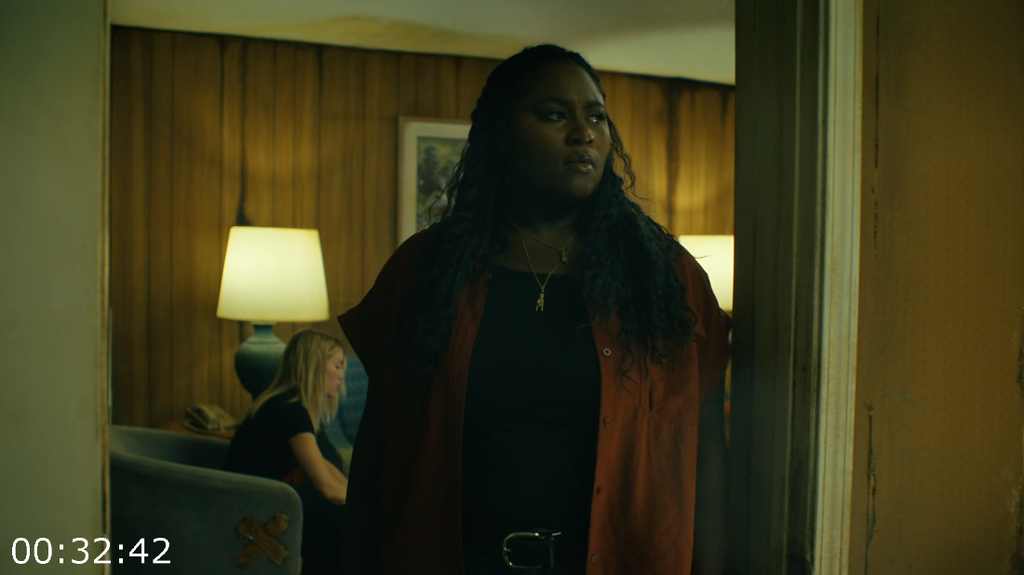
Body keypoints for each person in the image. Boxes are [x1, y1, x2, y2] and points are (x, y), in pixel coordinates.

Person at [338, 44, 732, 575]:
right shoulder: (425, 268)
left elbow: (705, 447)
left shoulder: (668, 277)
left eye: (596, 116)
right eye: (554, 114)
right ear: (500, 135)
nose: (583, 132)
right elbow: (379, 443)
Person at [224, 329, 350, 574]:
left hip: (269, 497)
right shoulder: (290, 410)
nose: (342, 375)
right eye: (337, 366)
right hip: (252, 506)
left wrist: (360, 497)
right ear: (314, 366)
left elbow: (329, 469)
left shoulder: (296, 406)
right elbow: (326, 486)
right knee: (335, 516)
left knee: (346, 512)